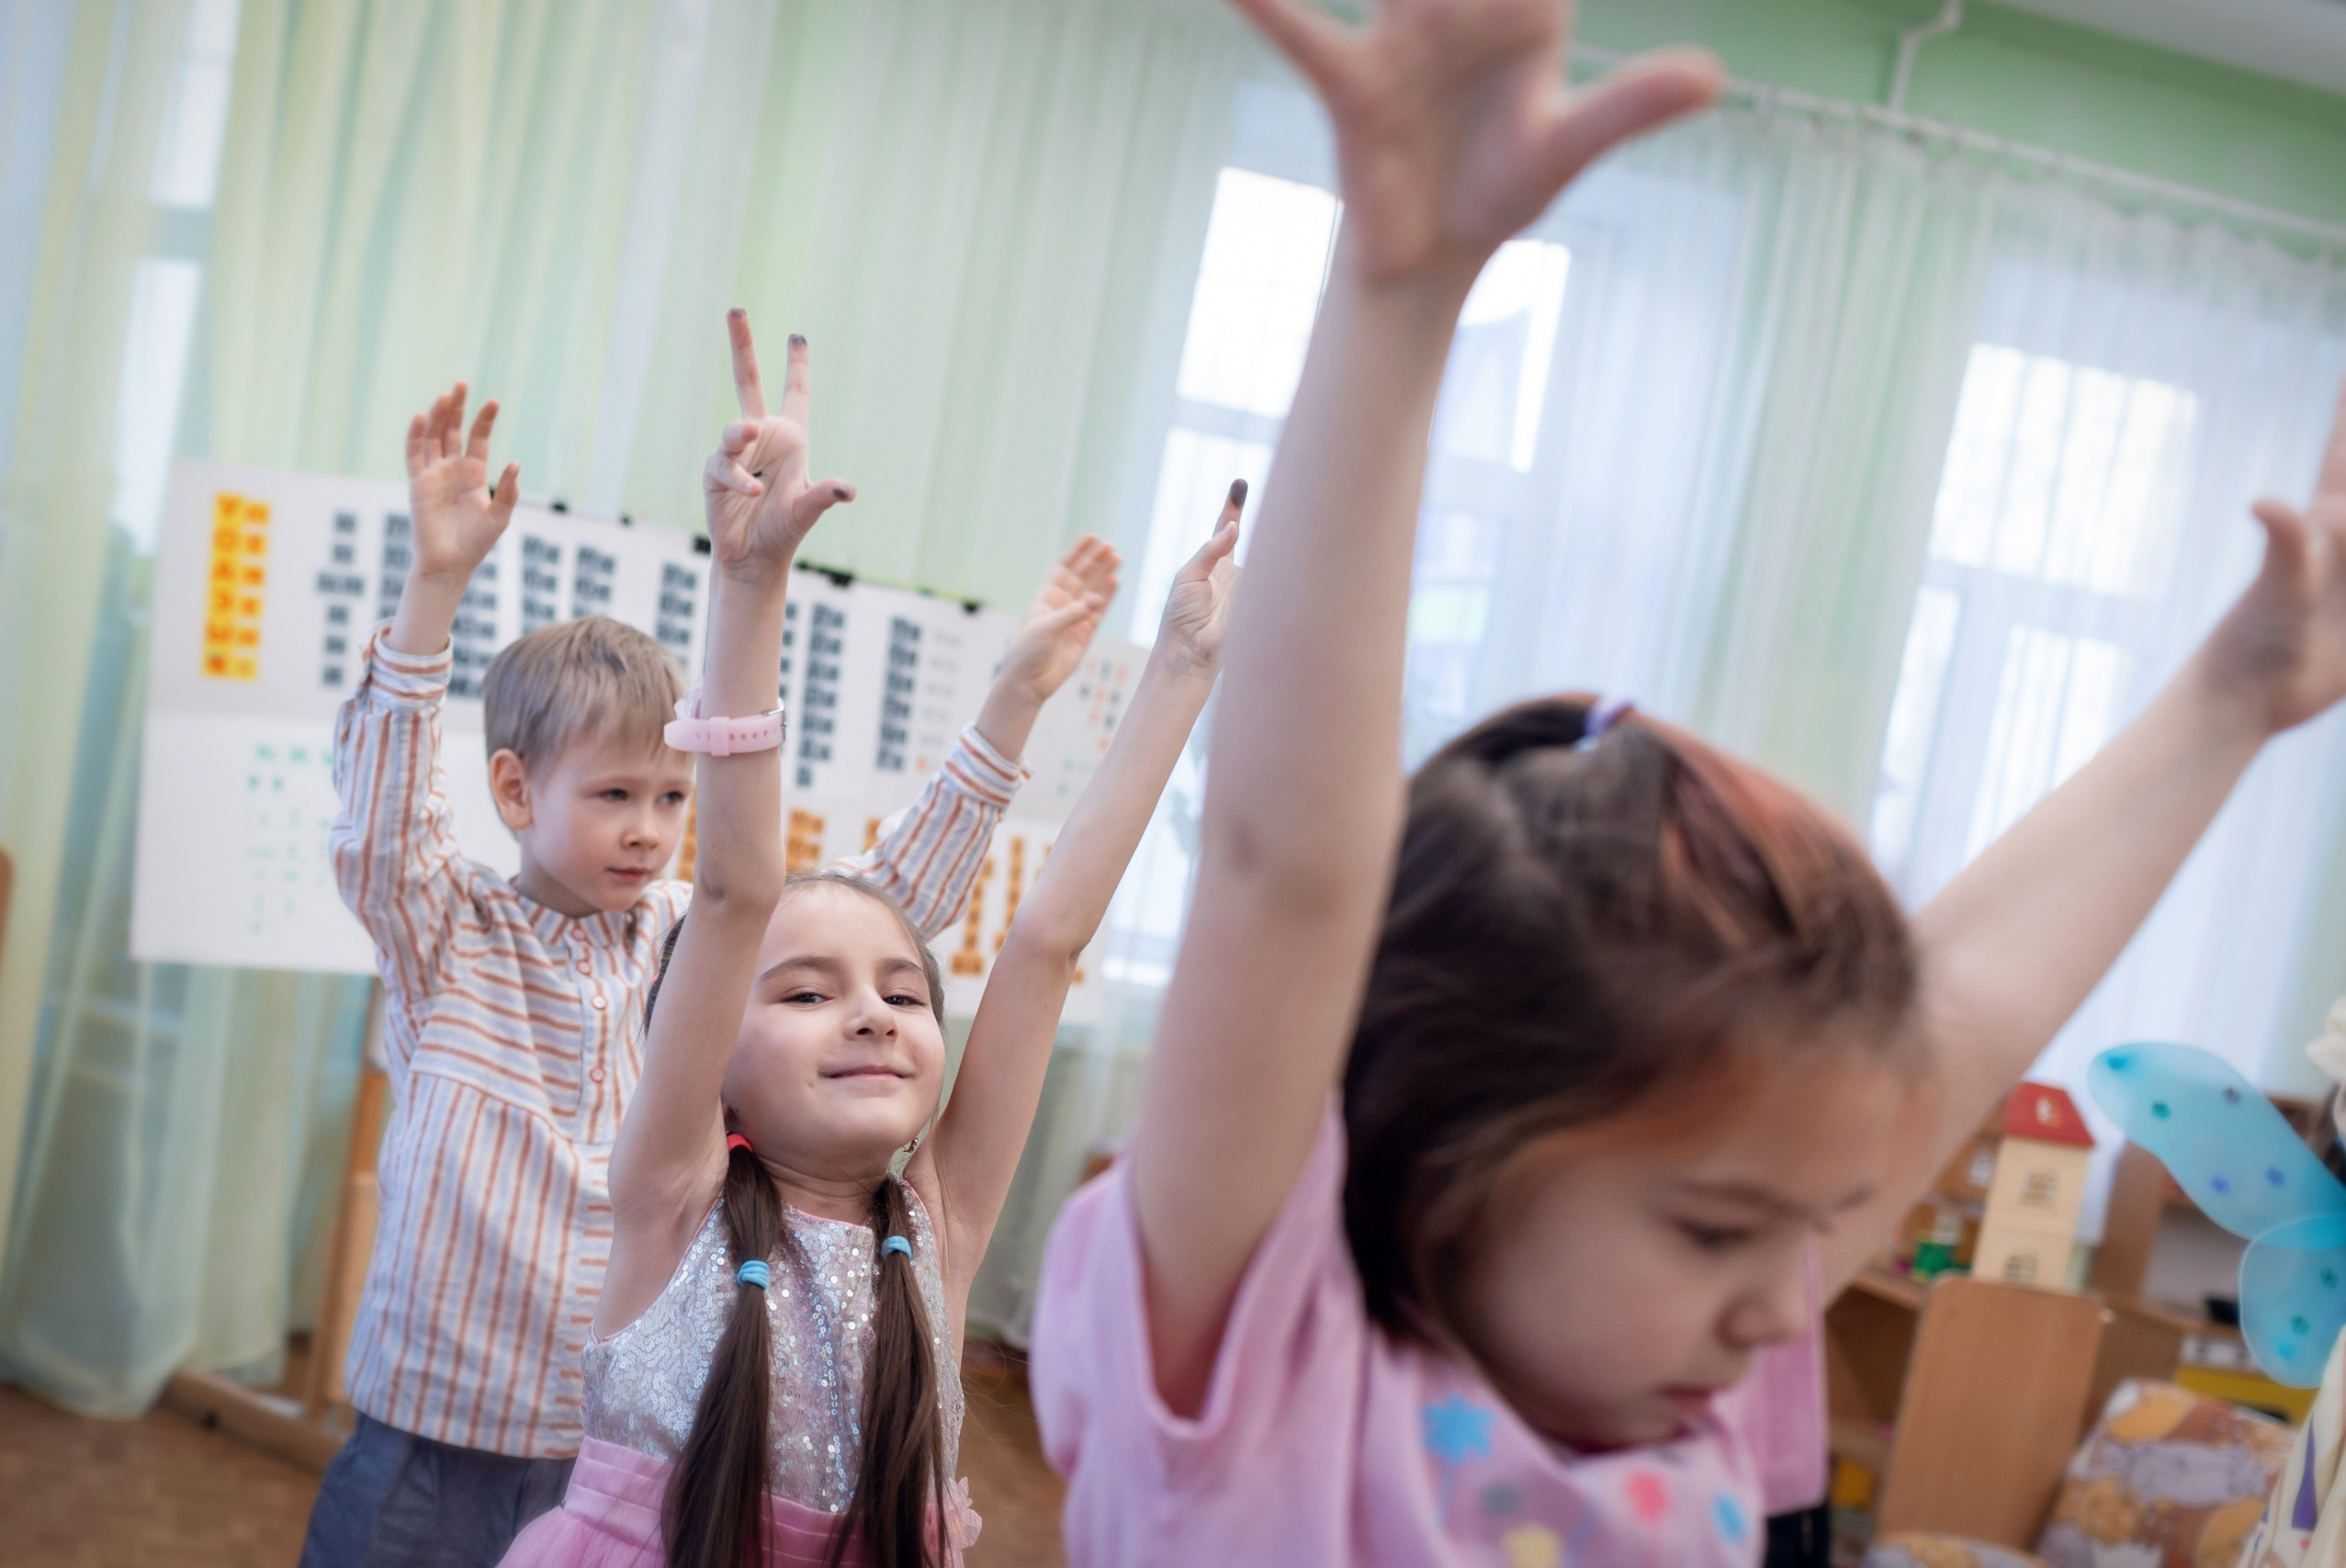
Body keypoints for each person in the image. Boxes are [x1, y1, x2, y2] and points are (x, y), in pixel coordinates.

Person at [1027, 0, 2346, 1561]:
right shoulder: (1269, 1360)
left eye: (1805, 1220)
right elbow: (1285, 871)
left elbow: (1971, 1010)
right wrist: (1401, 295)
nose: (1786, 1303)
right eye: (1720, 1227)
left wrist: (2234, 701)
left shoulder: (1658, 1378)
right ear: (1446, 1159)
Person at [305, 350, 1122, 1568]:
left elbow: (887, 898)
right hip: (435, 1437)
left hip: (631, 1462)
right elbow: (377, 824)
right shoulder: (450, 934)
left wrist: (1015, 701)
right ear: (516, 790)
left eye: (674, 796)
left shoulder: (699, 945)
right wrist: (434, 589)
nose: (649, 826)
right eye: (616, 793)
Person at [497, 312, 1244, 1567]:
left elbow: (1045, 946)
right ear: (705, 1045)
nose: (873, 1013)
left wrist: (1181, 667)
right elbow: (734, 889)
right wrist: (750, 583)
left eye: (904, 992)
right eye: (802, 994)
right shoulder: (671, 1198)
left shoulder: (936, 1225)